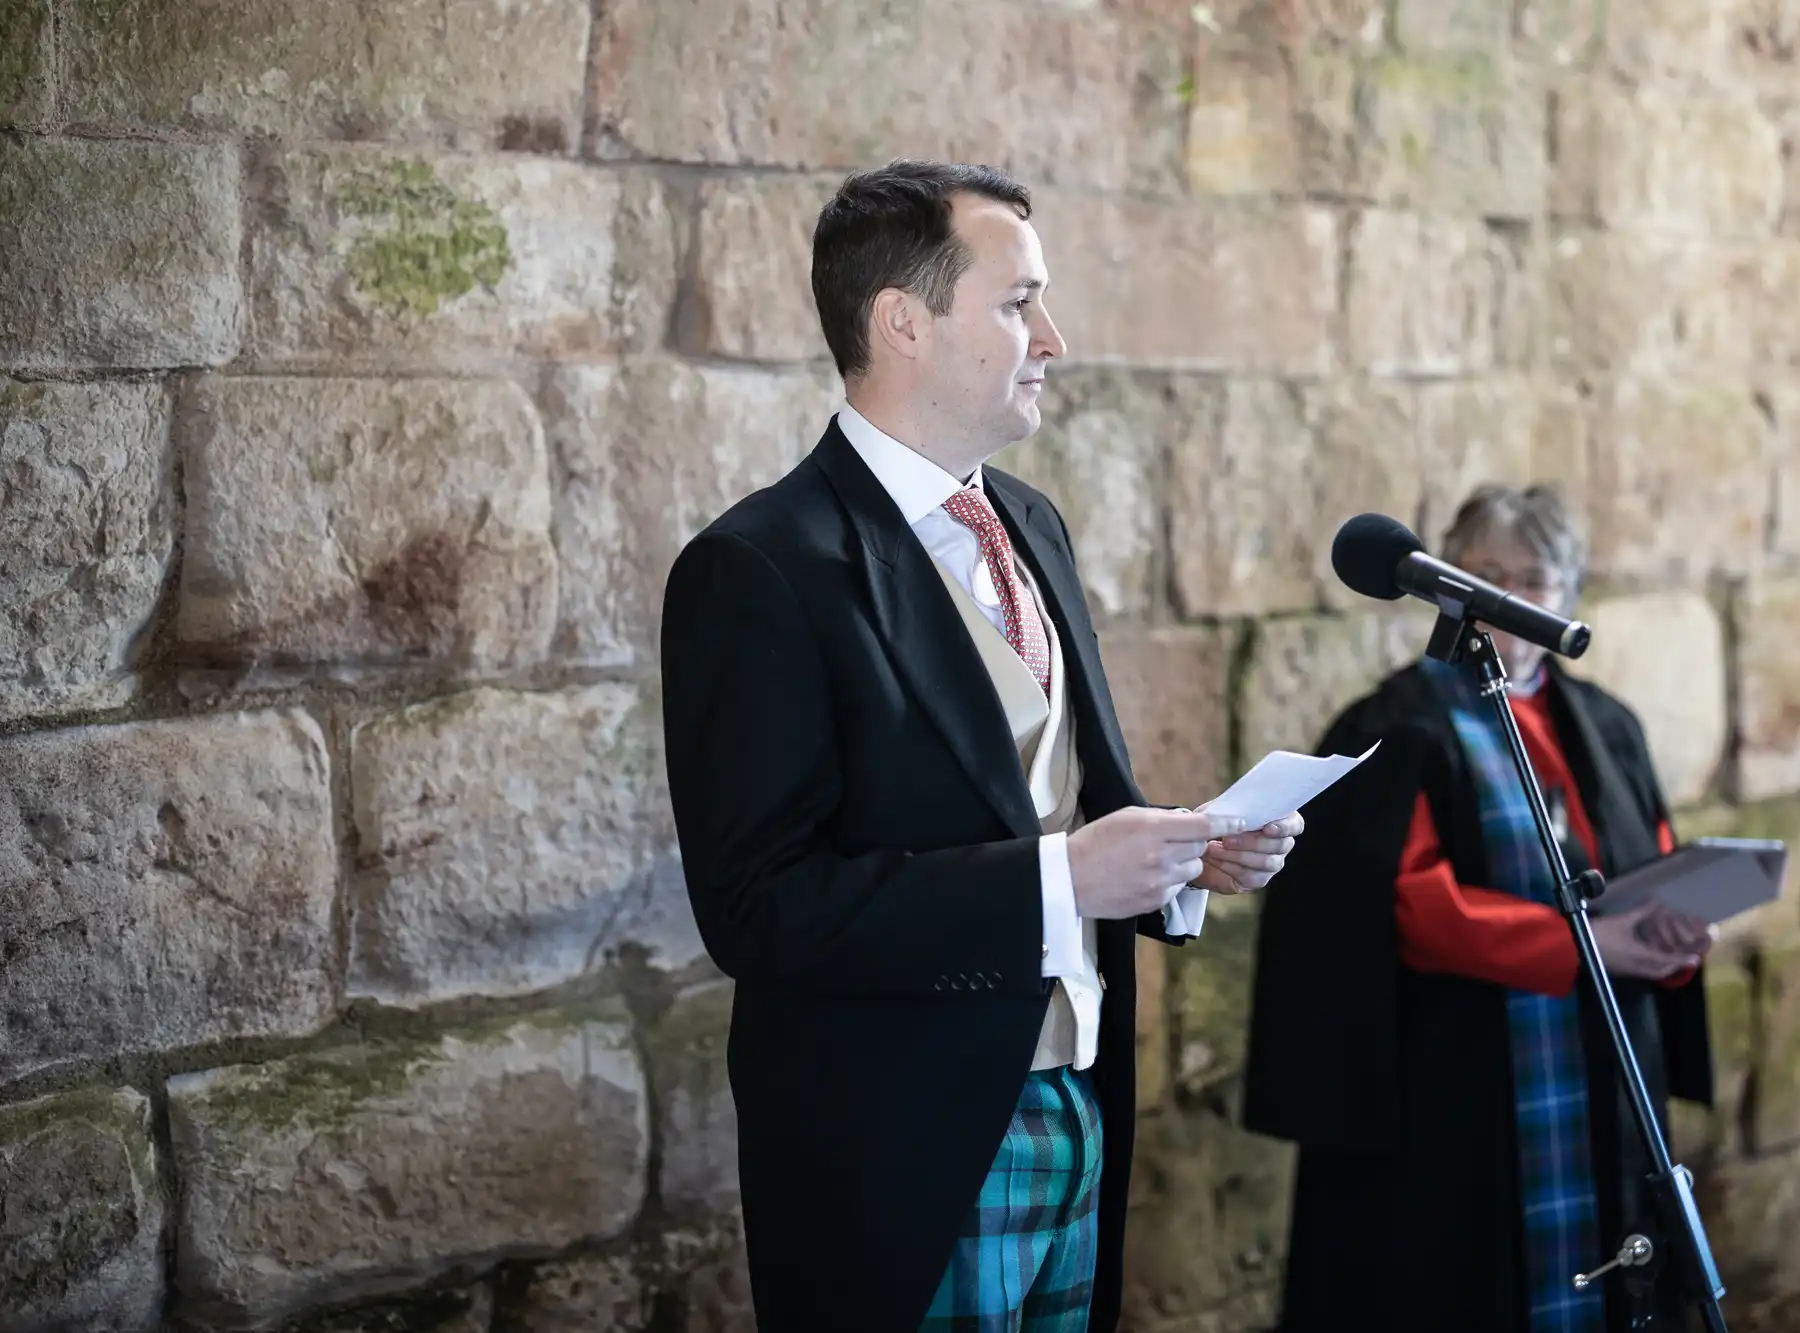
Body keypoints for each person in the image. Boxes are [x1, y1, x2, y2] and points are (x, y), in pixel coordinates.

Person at [659, 159, 1305, 1332]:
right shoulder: (760, 567)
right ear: (901, 322)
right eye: (1017, 303)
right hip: (900, 1135)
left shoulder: (1029, 523)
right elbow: (758, 907)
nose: (1052, 337)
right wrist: (1060, 882)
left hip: (1078, 1105)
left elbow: (1053, 794)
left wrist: (1180, 858)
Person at [1243, 483, 1717, 1333]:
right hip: (1458, 1080)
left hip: (1601, 1069)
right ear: (1446, 585)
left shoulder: (1606, 723)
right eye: (1484, 572)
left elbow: (1650, 862)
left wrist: (1673, 937)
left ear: (1566, 597)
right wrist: (1586, 948)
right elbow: (1412, 907)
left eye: (1531, 578)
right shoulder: (1394, 725)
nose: (1506, 598)